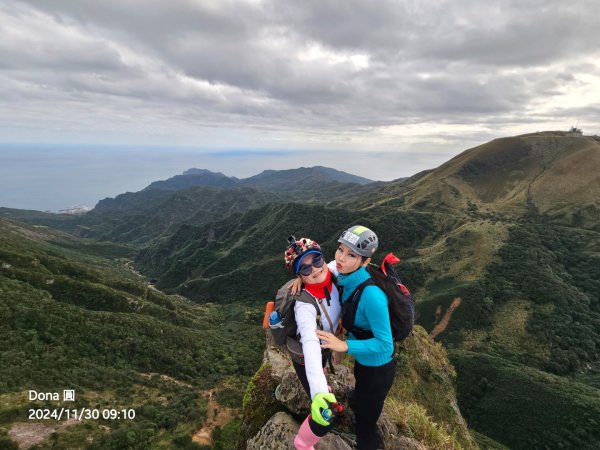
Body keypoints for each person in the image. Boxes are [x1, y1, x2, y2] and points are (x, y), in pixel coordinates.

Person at [316, 225, 396, 450]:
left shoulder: (371, 295)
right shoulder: (347, 278)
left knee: (365, 426)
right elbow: (326, 272)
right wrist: (301, 279)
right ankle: (359, 399)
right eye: (340, 249)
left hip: (379, 370)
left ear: (365, 262)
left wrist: (344, 345)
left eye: (351, 255)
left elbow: (384, 344)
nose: (341, 258)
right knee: (360, 393)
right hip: (364, 365)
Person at [280, 236, 342, 450]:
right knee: (326, 414)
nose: (314, 269)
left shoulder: (334, 271)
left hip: (326, 348)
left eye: (316, 260)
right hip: (306, 359)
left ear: (322, 258)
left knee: (324, 374)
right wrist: (319, 393)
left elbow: (347, 261)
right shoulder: (304, 306)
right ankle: (302, 444)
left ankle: (323, 382)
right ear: (299, 276)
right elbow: (309, 342)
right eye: (305, 269)